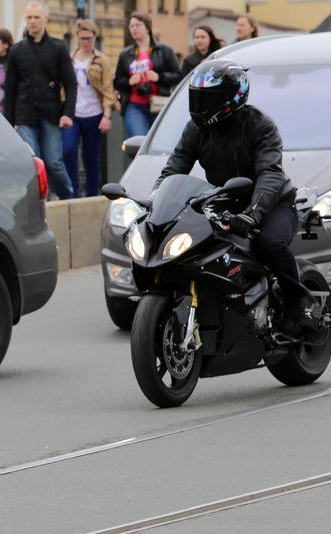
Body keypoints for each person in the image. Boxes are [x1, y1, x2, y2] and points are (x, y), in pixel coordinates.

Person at [155, 59, 308, 335]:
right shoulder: (196, 129)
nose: (199, 105)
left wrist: (253, 213)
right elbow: (175, 167)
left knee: (269, 243)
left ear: (230, 98)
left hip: (272, 202)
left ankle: (297, 300)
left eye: (206, 99)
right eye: (197, 97)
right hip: (226, 198)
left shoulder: (259, 125)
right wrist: (156, 201)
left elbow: (270, 174)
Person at [3, 1, 77, 200]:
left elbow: (70, 82)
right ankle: (38, 202)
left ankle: (66, 197)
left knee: (53, 162)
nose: (33, 21)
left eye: (36, 17)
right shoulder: (16, 51)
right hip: (25, 113)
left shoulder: (58, 47)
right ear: (25, 20)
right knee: (32, 162)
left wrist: (68, 113)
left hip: (51, 112)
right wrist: (9, 122)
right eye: (29, 18)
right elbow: (9, 89)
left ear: (45, 19)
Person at [61, 19, 115, 198]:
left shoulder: (102, 60)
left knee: (91, 157)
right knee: (68, 151)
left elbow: (108, 90)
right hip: (73, 113)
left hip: (94, 114)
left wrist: (107, 115)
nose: (85, 42)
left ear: (95, 38)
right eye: (82, 38)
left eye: (89, 39)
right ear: (77, 37)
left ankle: (91, 195)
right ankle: (73, 193)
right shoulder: (69, 59)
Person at [113, 12, 180, 138]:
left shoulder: (165, 50)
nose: (134, 29)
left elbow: (178, 75)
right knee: (140, 140)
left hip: (160, 103)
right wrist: (129, 81)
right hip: (134, 105)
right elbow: (117, 82)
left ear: (148, 28)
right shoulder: (126, 54)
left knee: (160, 142)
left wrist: (158, 77)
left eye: (137, 25)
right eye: (131, 26)